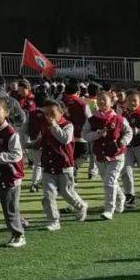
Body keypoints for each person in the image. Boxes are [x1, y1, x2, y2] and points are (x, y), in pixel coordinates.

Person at [38, 98, 89, 230]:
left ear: (61, 112)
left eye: (52, 113)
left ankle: (81, 206)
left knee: (66, 192)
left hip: (65, 165)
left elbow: (65, 139)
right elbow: (41, 141)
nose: (48, 116)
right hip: (48, 166)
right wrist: (30, 144)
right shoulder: (45, 126)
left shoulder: (68, 125)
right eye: (46, 113)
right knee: (48, 195)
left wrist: (54, 125)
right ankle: (54, 221)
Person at [83, 89, 132, 220]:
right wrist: (96, 134)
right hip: (100, 156)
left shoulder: (119, 119)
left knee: (109, 181)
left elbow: (129, 132)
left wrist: (123, 141)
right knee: (109, 181)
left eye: (104, 100)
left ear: (111, 102)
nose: (101, 102)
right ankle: (121, 197)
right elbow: (85, 135)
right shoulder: (92, 120)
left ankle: (109, 209)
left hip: (117, 155)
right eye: (99, 100)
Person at [0, 94, 26, 247]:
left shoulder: (11, 133)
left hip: (9, 176)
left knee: (10, 209)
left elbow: (16, 155)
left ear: (7, 112)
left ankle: (18, 235)